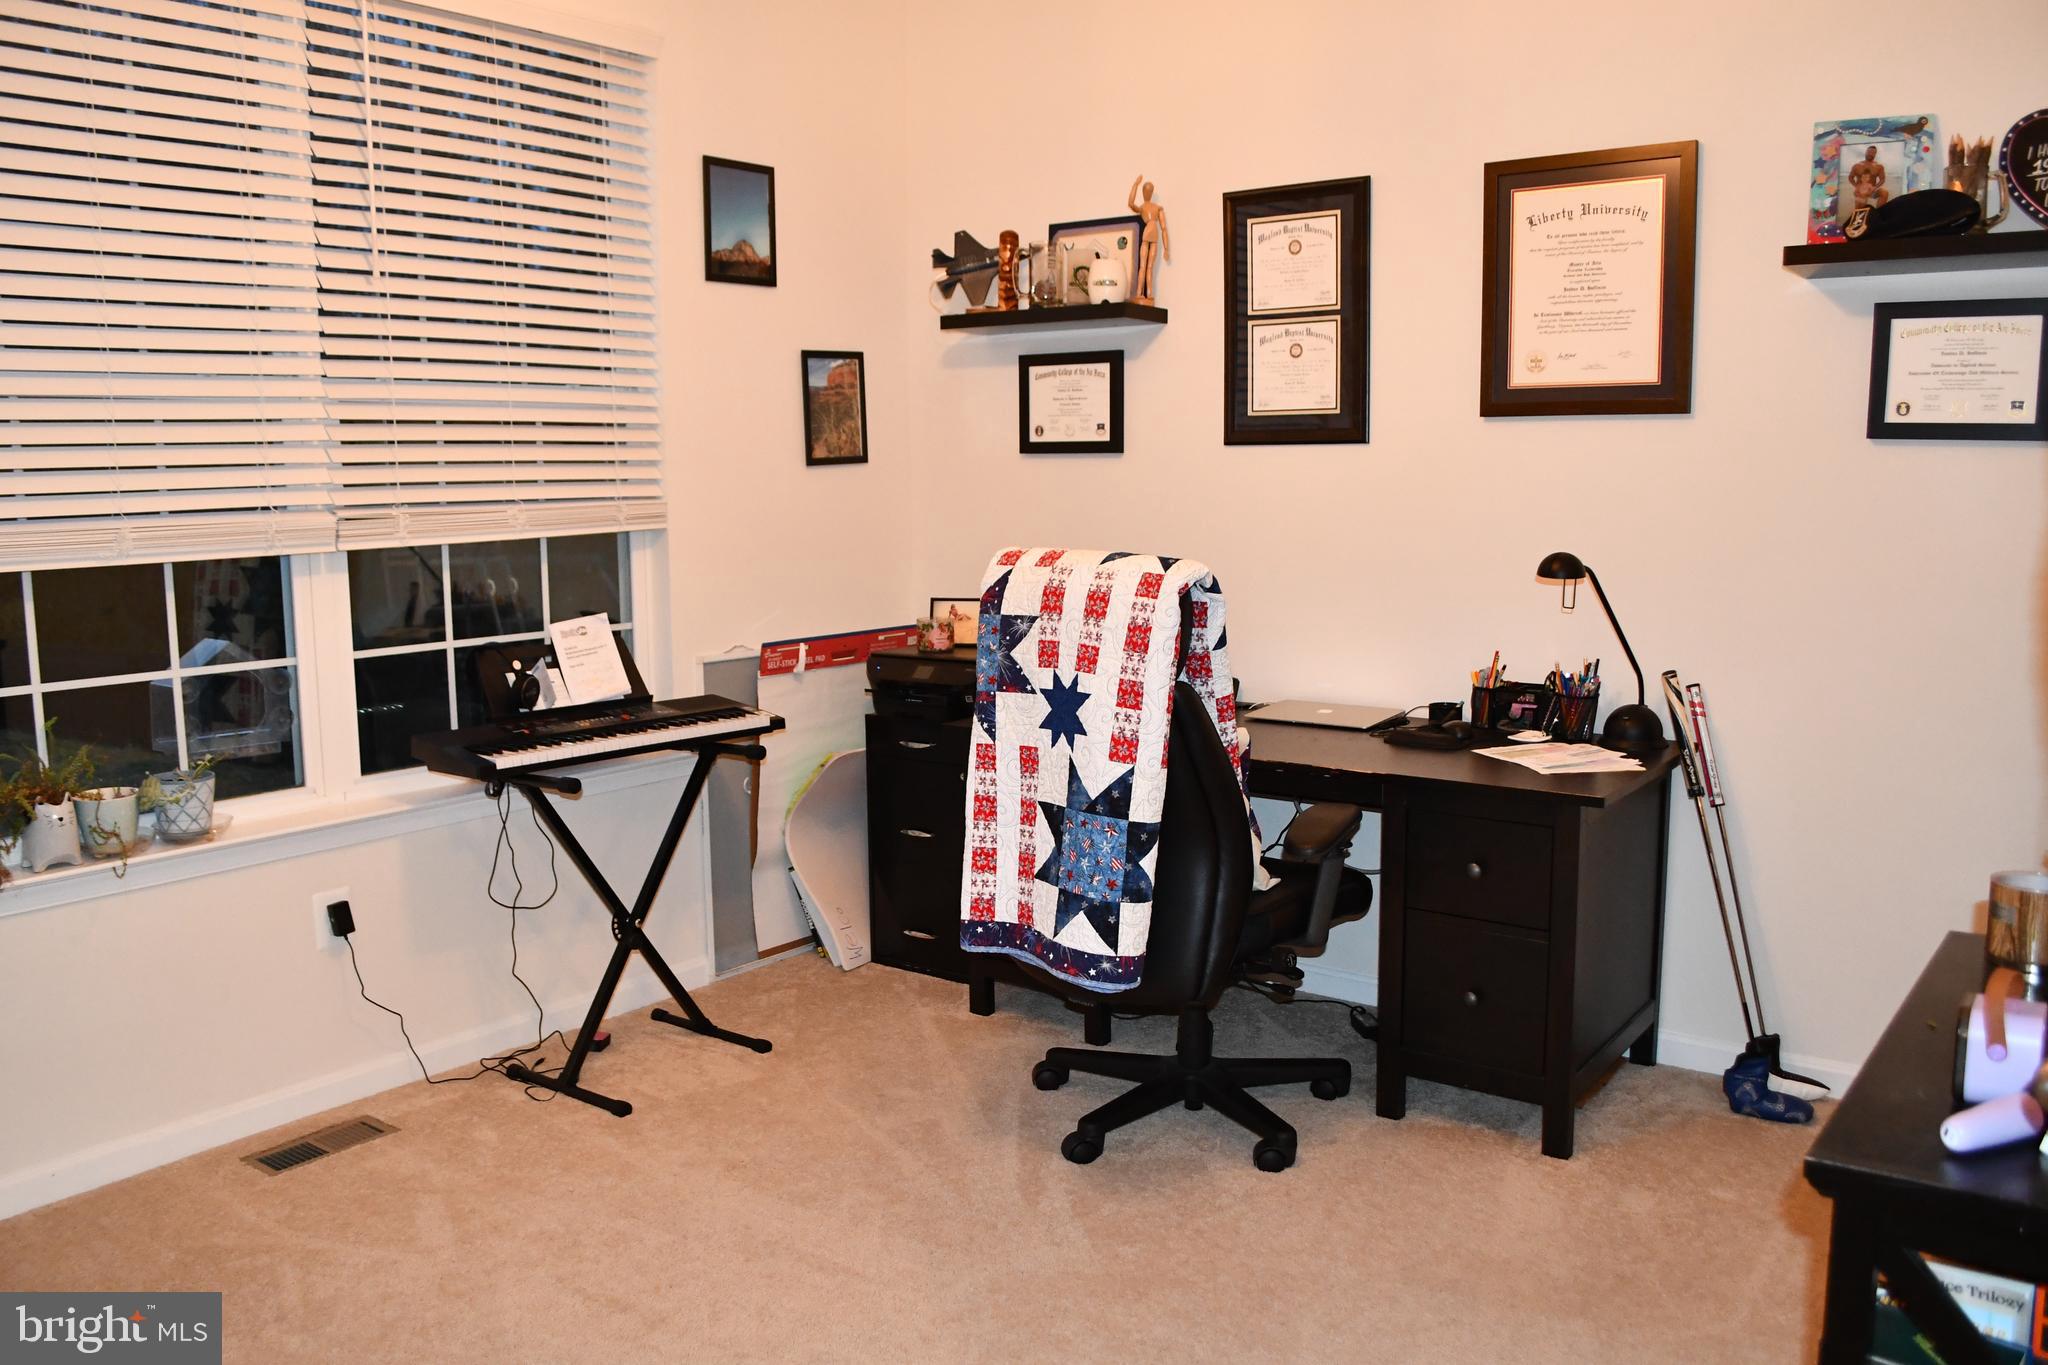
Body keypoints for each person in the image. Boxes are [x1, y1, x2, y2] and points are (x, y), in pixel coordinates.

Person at [1127, 175, 1170, 305]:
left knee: (1148, 266)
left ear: (1150, 193)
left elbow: (1164, 228)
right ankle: (1140, 293)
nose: (1147, 193)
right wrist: (1135, 184)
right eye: (1145, 191)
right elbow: (1130, 204)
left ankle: (1149, 293)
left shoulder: (1157, 208)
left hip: (1153, 236)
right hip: (1149, 235)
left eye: (1148, 191)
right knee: (1143, 266)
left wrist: (1167, 249)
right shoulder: (1144, 207)